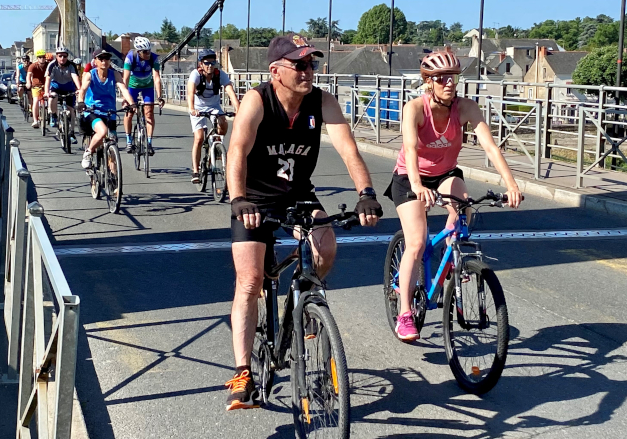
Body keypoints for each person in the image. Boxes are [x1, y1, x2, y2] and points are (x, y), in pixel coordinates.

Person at [223, 34, 383, 411]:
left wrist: (366, 192)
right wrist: (238, 198)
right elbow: (237, 150)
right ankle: (243, 373)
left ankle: (303, 302)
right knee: (248, 281)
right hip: (255, 199)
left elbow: (348, 149)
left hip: (297, 194)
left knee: (326, 247)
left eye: (312, 64)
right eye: (300, 65)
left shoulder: (322, 101)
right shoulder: (257, 100)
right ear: (276, 71)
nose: (309, 71)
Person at [386, 50, 522, 342]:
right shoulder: (415, 108)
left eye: (453, 78)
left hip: (446, 174)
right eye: (441, 78)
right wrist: (418, 185)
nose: (449, 83)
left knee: (464, 211)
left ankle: (454, 256)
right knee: (417, 242)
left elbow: (490, 147)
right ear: (428, 82)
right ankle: (406, 313)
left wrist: (511, 184)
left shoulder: (466, 108)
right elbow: (410, 150)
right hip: (410, 177)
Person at [77, 49, 137, 170]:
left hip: (110, 112)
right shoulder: (90, 74)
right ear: (95, 61)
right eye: (101, 59)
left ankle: (114, 180)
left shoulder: (114, 74)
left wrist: (132, 104)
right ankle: (88, 152)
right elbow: (83, 90)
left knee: (112, 143)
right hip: (92, 111)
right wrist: (80, 102)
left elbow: (123, 89)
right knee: (103, 131)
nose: (104, 61)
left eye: (107, 58)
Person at [188, 49, 240, 184]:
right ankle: (195, 170)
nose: (210, 66)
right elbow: (190, 91)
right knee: (199, 138)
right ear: (201, 64)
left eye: (213, 63)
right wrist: (192, 108)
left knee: (223, 125)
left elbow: (230, 91)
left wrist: (238, 108)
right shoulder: (196, 75)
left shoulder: (220, 74)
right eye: (207, 63)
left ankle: (215, 151)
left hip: (214, 107)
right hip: (198, 108)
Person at [122, 37, 165, 154]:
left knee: (149, 113)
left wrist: (159, 96)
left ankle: (149, 143)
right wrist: (125, 98)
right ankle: (129, 140)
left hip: (147, 86)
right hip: (133, 86)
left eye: (149, 51)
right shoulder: (130, 57)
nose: (148, 54)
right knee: (129, 113)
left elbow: (156, 78)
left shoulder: (154, 58)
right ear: (139, 52)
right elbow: (125, 78)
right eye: (145, 52)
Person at [45, 46, 81, 143]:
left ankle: (72, 133)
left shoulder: (71, 65)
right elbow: (48, 79)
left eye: (64, 56)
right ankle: (53, 115)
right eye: (60, 56)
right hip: (56, 88)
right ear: (56, 56)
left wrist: (79, 89)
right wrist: (46, 92)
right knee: (52, 97)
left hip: (69, 88)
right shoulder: (52, 65)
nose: (62, 58)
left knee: (72, 111)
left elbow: (75, 77)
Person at [26, 50, 49, 128]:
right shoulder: (33, 66)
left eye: (43, 57)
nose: (42, 59)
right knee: (35, 100)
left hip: (46, 85)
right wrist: (28, 83)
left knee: (51, 98)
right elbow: (29, 75)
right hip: (36, 86)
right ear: (37, 58)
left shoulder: (48, 65)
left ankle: (51, 115)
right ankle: (35, 120)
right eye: (40, 57)